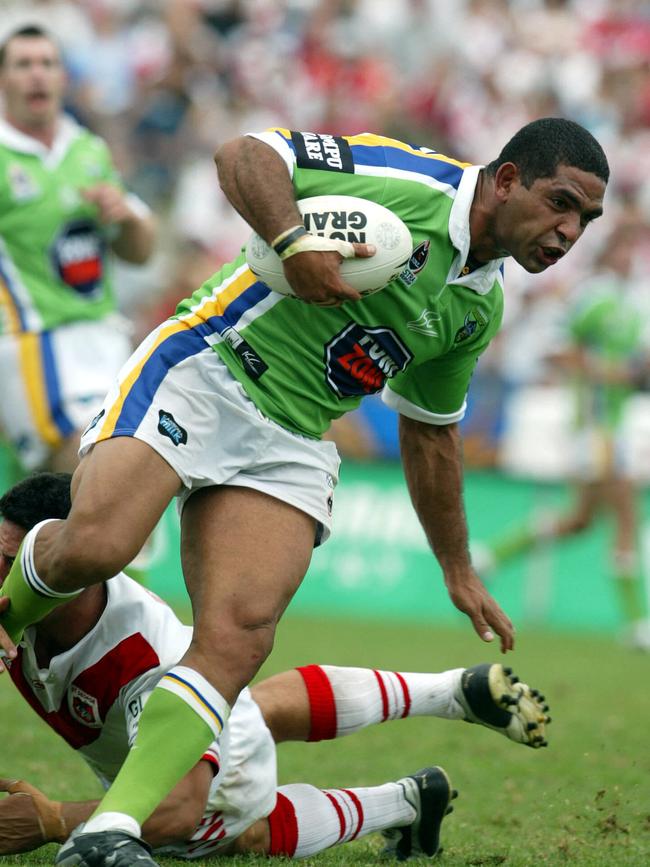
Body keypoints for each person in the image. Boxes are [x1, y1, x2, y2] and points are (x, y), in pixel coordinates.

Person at [0, 117, 606, 867]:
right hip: (209, 365)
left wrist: (456, 567)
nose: (569, 230)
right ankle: (6, 614)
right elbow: (245, 154)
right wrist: (293, 241)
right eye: (561, 203)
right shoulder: (410, 183)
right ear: (508, 178)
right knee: (95, 544)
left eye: (585, 219)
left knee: (240, 635)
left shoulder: (476, 307)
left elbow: (429, 433)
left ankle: (105, 833)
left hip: (291, 437)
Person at [0, 472, 551, 862]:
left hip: (208, 772)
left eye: (8, 562)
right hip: (215, 707)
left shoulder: (143, 662)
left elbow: (177, 806)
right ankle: (451, 693)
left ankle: (400, 800)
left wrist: (54, 821)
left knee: (229, 833)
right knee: (253, 710)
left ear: (72, 568)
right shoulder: (19, 614)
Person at [472, 213, 650, 649]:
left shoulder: (627, 303)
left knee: (580, 520)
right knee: (627, 513)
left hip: (612, 424)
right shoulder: (594, 297)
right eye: (631, 248)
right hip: (592, 425)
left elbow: (630, 366)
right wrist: (602, 371)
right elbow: (558, 349)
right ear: (614, 250)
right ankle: (636, 622)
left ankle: (490, 555)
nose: (636, 258)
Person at [0, 24, 156, 475]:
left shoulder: (88, 150)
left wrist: (124, 216)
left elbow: (141, 251)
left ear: (63, 77)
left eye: (47, 64)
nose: (38, 75)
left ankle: (27, 543)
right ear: (3, 79)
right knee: (87, 462)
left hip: (102, 335)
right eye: (23, 65)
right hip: (32, 338)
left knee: (110, 474)